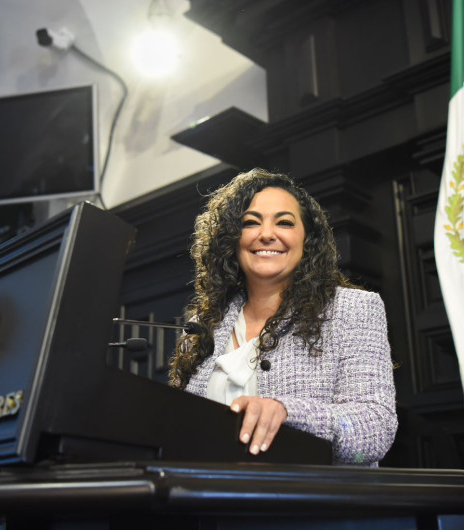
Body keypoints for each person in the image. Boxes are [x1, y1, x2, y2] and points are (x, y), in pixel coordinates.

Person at [169, 168, 397, 465]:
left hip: (311, 506)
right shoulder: (204, 323)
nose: (266, 234)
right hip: (211, 503)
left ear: (307, 239)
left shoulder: (353, 309)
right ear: (232, 241)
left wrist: (287, 412)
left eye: (284, 222)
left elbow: (375, 429)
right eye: (251, 223)